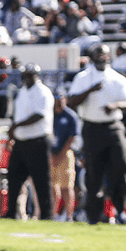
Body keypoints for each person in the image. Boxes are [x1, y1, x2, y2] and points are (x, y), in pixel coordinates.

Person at [67, 44, 126, 224]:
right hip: (91, 128)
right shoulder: (83, 78)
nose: (101, 57)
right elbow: (71, 101)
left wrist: (115, 105)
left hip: (113, 127)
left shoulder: (117, 78)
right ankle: (93, 215)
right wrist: (90, 90)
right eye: (98, 54)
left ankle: (120, 211)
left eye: (104, 54)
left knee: (119, 168)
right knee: (93, 173)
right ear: (92, 57)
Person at [6, 63, 55, 220]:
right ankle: (11, 212)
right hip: (21, 142)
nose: (26, 79)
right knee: (13, 177)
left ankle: (47, 215)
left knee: (41, 180)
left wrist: (17, 125)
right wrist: (14, 131)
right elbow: (17, 116)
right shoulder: (22, 92)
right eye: (25, 76)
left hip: (38, 141)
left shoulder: (43, 92)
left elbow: (39, 115)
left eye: (29, 76)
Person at [49, 89, 79, 222]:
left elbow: (72, 137)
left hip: (65, 153)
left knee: (66, 186)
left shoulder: (70, 116)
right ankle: (53, 214)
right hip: (51, 153)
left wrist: (60, 155)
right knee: (52, 186)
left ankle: (69, 215)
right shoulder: (50, 114)